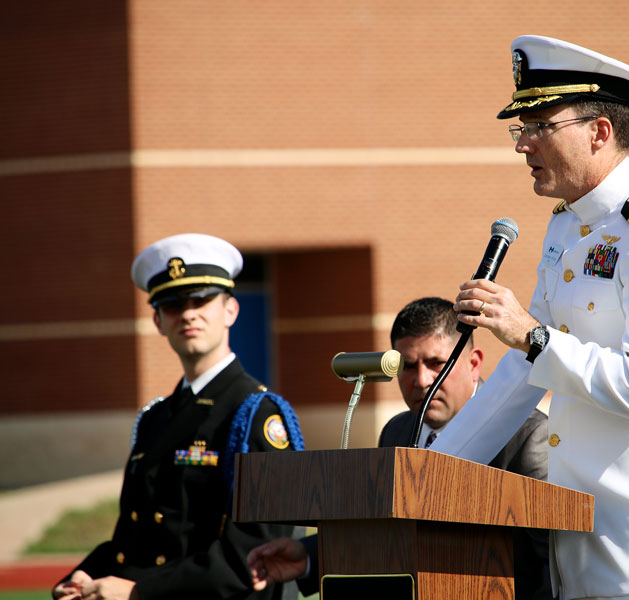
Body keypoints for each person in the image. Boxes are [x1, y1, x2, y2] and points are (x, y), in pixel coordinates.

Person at [427, 35, 629, 600]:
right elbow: (521, 375)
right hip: (583, 548)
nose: (523, 145)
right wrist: (430, 472)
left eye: (538, 127)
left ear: (599, 131)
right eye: (520, 128)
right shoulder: (567, 227)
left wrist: (532, 334)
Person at [247, 297, 552, 599]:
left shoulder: (526, 436)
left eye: (436, 364)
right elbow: (389, 536)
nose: (422, 380)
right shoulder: (397, 431)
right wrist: (309, 556)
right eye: (407, 366)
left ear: (474, 364)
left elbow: (550, 561)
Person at [53, 233, 303, 600]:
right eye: (173, 305)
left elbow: (252, 555)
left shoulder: (256, 414)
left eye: (202, 299)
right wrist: (87, 574)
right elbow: (137, 536)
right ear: (157, 320)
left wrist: (139, 589)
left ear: (230, 310)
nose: (188, 313)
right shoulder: (155, 418)